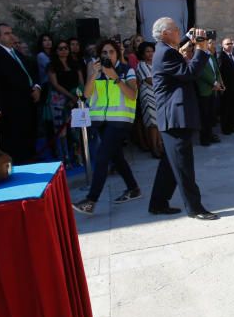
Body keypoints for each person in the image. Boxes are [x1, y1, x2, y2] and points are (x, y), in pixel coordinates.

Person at [147, 18, 218, 220]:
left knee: (170, 164)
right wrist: (202, 50)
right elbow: (189, 73)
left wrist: (189, 36)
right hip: (175, 117)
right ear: (165, 34)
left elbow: (179, 51)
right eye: (176, 29)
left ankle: (158, 203)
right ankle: (195, 208)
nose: (179, 32)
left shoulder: (164, 49)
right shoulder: (166, 53)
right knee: (183, 166)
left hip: (174, 116)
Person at [71, 39, 141, 215]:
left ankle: (91, 200)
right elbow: (85, 95)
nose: (107, 55)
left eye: (111, 52)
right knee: (116, 157)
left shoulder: (127, 70)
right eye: (104, 52)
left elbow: (132, 95)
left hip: (120, 122)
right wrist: (94, 74)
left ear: (118, 53)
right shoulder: (94, 70)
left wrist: (115, 77)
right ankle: (133, 188)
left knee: (102, 157)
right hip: (101, 122)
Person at [0, 22, 41, 163]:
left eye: (11, 32)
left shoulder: (16, 53)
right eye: (6, 34)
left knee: (28, 141)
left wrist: (36, 87)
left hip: (27, 105)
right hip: (12, 109)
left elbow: (30, 72)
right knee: (17, 146)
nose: (11, 36)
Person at [47, 39, 84, 165]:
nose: (63, 50)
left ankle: (77, 156)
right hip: (59, 100)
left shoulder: (75, 64)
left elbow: (81, 82)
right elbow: (55, 84)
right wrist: (69, 96)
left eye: (65, 48)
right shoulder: (52, 65)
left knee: (76, 129)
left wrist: (77, 96)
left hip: (75, 98)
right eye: (60, 48)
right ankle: (65, 158)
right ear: (56, 51)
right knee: (61, 130)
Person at [134, 41, 163, 158]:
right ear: (142, 53)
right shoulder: (141, 65)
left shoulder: (156, 64)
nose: (150, 54)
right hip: (148, 97)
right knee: (152, 124)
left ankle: (160, 145)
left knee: (159, 124)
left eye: (152, 51)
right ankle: (154, 148)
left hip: (159, 96)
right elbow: (150, 80)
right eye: (147, 51)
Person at [195, 38, 223, 146]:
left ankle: (210, 135)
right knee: (204, 115)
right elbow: (202, 72)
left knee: (211, 115)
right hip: (205, 89)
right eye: (208, 43)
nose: (210, 45)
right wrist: (214, 82)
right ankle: (204, 138)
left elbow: (216, 70)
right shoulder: (199, 56)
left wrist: (219, 82)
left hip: (213, 89)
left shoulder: (210, 55)